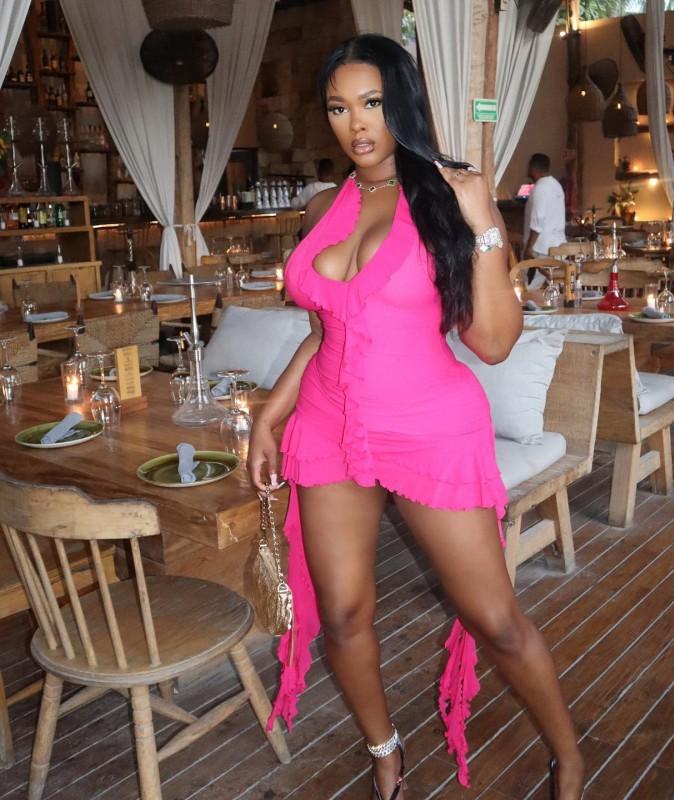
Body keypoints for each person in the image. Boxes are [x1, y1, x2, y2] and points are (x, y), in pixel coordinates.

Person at [247, 34, 584, 800]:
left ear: (401, 103)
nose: (356, 124)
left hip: (429, 428)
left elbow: (493, 342)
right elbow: (328, 327)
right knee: (342, 614)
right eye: (339, 107)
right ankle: (385, 750)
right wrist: (272, 414)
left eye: (371, 103)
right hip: (327, 423)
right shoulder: (328, 204)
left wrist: (484, 221)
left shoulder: (442, 199)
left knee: (495, 618)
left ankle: (567, 755)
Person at [523, 152, 566, 260]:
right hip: (558, 246)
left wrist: (529, 248)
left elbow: (538, 221)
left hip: (542, 250)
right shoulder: (556, 185)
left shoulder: (540, 188)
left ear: (532, 167)